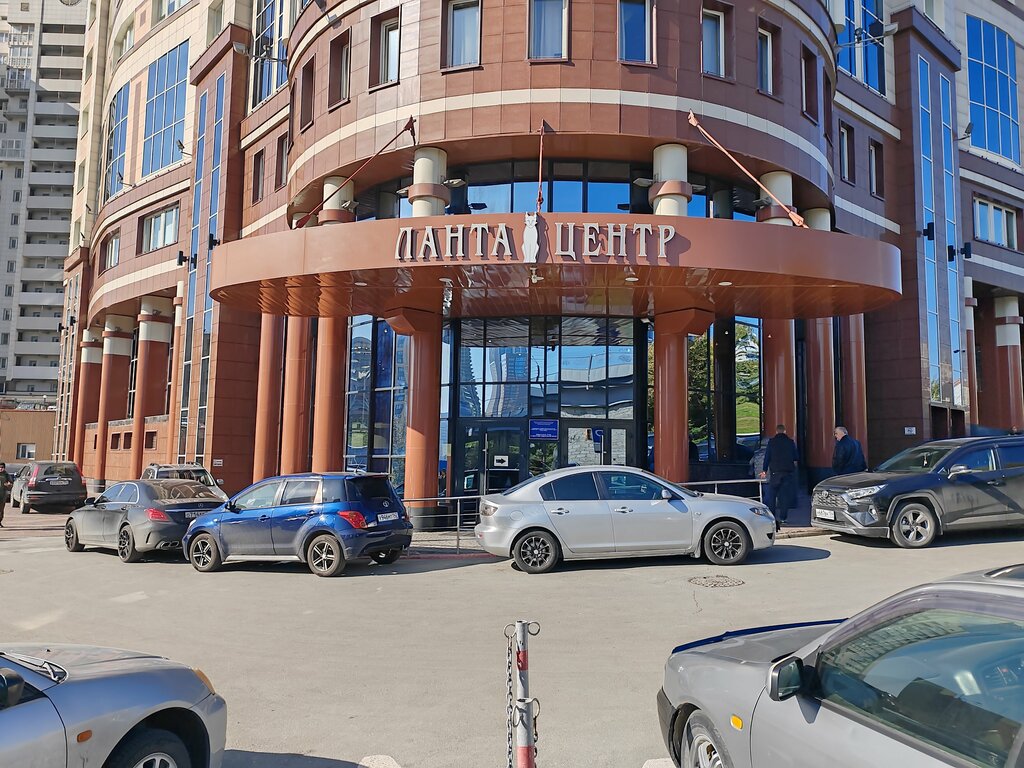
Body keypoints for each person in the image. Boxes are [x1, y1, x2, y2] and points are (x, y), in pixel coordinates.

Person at [759, 424, 798, 529]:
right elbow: (796, 457)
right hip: (787, 473)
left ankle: (772, 517)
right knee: (784, 496)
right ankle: (783, 518)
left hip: (775, 473)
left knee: (772, 496)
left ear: (776, 431)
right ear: (785, 431)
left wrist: (764, 470)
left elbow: (767, 457)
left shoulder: (772, 442)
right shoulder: (790, 442)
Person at [0, 462, 11, 527]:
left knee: (1, 510)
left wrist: (8, 484)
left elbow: (11, 483)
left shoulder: (6, 475)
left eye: (2, 467)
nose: (1, 468)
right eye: (0, 467)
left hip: (3, 495)